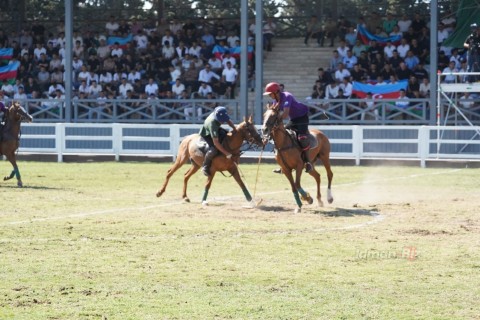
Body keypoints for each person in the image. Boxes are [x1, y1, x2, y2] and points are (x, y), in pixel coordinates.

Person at [262, 82, 313, 173]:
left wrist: (275, 121)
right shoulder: (275, 102)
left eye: (270, 94)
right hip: (293, 119)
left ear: (276, 92)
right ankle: (284, 165)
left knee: (302, 138)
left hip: (302, 117)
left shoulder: (287, 96)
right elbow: (275, 114)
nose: (269, 96)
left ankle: (308, 163)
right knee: (283, 135)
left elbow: (285, 114)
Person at [199, 106, 237, 176]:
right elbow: (216, 143)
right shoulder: (212, 124)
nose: (222, 121)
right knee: (213, 150)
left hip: (217, 128)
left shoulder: (221, 113)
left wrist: (234, 128)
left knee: (227, 136)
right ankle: (205, 166)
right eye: (221, 120)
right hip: (207, 134)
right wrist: (227, 153)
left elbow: (228, 120)